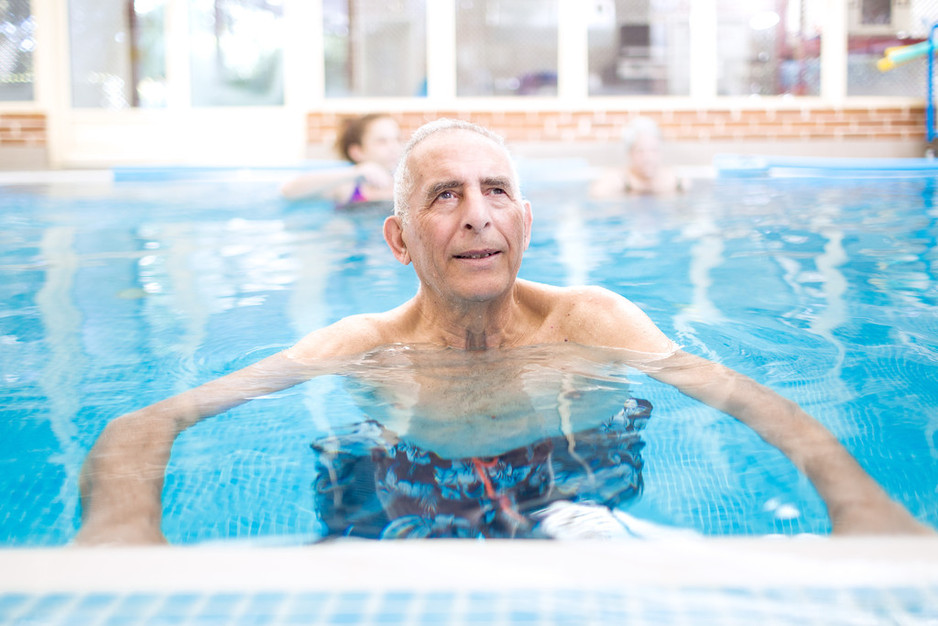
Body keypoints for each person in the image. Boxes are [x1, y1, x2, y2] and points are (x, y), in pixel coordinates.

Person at [76, 118, 933, 545]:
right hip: (399, 508)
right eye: (445, 196)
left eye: (495, 193)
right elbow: (143, 422)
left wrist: (861, 504)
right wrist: (121, 537)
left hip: (574, 498)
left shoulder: (590, 320)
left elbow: (758, 405)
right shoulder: (364, 342)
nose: (478, 217)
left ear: (526, 219)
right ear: (399, 236)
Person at [280, 113, 402, 205]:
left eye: (397, 139)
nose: (394, 147)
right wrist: (357, 171)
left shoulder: (405, 185)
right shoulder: (349, 188)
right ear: (357, 152)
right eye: (382, 141)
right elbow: (288, 191)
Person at [591, 116, 689, 197]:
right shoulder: (617, 180)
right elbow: (597, 193)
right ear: (629, 154)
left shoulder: (677, 183)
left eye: (653, 150)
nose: (647, 158)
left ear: (661, 152)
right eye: (640, 151)